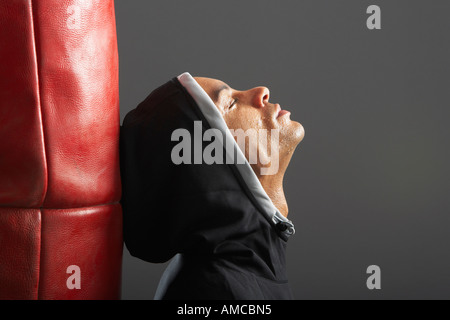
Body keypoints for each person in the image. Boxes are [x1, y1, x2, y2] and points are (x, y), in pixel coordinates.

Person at [119, 72, 304, 300]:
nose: (261, 91)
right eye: (232, 103)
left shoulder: (244, 273)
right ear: (208, 165)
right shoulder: (215, 292)